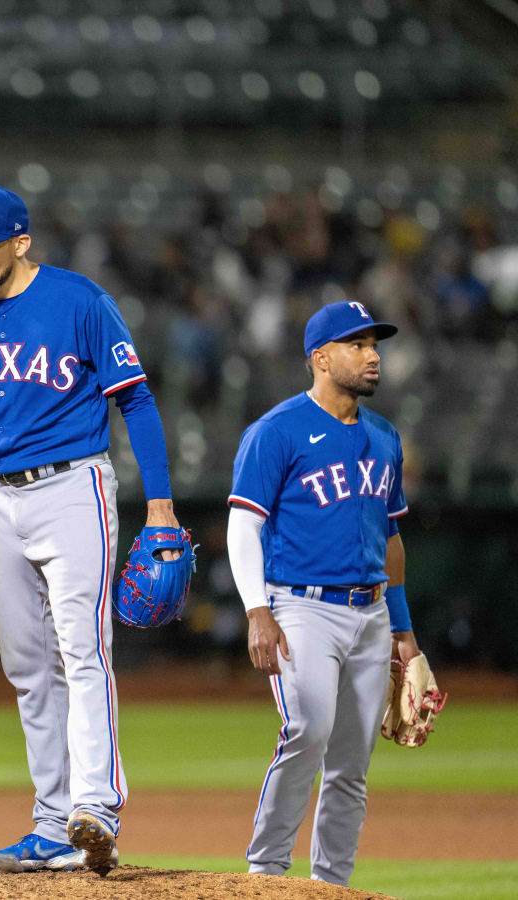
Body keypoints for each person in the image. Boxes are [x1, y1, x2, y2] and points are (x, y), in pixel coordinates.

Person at [0, 186, 182, 875]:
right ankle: (54, 826)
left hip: (74, 485)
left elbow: (136, 401)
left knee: (81, 647)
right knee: (26, 666)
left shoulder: (81, 301)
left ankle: (97, 806)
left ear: (21, 243)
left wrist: (164, 506)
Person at [227, 301, 422, 886]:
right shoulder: (276, 431)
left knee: (351, 765)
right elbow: (244, 527)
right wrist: (257, 610)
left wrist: (404, 630)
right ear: (321, 357)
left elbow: (390, 537)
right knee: (306, 731)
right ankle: (264, 874)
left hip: (372, 612)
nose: (373, 356)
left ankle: (331, 886)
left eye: (374, 345)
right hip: (301, 607)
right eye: (358, 345)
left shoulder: (385, 437)